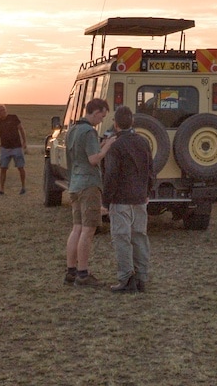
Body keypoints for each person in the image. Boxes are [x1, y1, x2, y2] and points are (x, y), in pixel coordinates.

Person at [102, 105, 154, 293]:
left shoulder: (115, 146)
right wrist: (147, 191)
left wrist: (105, 202)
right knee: (140, 237)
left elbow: (111, 176)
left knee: (122, 238)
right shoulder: (143, 142)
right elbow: (150, 169)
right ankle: (141, 278)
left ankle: (126, 278)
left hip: (120, 199)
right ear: (132, 122)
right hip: (140, 197)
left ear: (115, 124)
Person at [64, 98, 114, 287]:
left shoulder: (73, 130)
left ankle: (71, 271)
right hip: (89, 185)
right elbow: (93, 159)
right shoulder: (89, 131)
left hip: (75, 183)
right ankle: (83, 274)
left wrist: (101, 145)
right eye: (102, 115)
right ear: (96, 111)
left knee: (77, 228)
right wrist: (108, 146)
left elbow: (82, 155)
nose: (102, 120)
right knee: (88, 229)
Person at [0, 105, 27, 195]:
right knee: (3, 168)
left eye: (3, 109)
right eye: (0, 110)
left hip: (17, 147)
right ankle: (2, 189)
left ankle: (23, 187)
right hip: (5, 148)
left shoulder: (13, 118)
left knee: (20, 167)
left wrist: (24, 141)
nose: (2, 111)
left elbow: (21, 129)